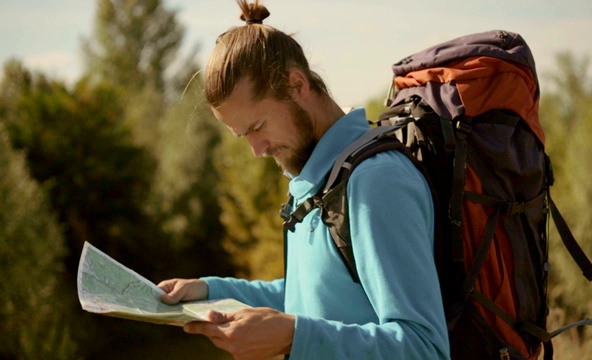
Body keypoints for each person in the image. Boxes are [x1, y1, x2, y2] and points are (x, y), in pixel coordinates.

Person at [158, 1, 450, 359]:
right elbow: (310, 296)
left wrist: (294, 338)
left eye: (258, 127)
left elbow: (424, 347)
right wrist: (209, 292)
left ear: (297, 85)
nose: (257, 149)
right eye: (242, 136)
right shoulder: (318, 179)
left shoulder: (376, 182)